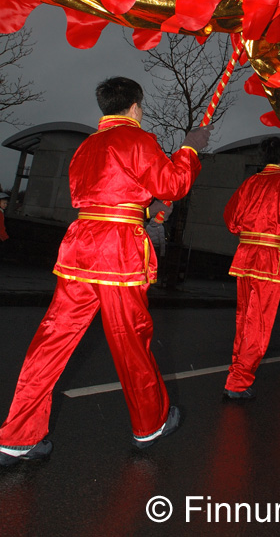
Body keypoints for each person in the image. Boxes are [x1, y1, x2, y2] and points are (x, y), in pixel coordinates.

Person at [0, 77, 210, 467]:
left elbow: (99, 195)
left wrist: (142, 208)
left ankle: (16, 436)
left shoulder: (85, 147)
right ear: (134, 105)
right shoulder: (138, 140)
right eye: (142, 107)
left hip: (81, 246)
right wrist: (189, 151)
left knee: (51, 340)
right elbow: (174, 183)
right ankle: (150, 423)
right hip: (117, 251)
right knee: (130, 340)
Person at [223, 136, 280, 399]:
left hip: (245, 256)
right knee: (258, 322)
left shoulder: (249, 183)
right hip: (269, 258)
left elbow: (231, 220)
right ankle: (238, 380)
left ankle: (237, 370)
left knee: (243, 318)